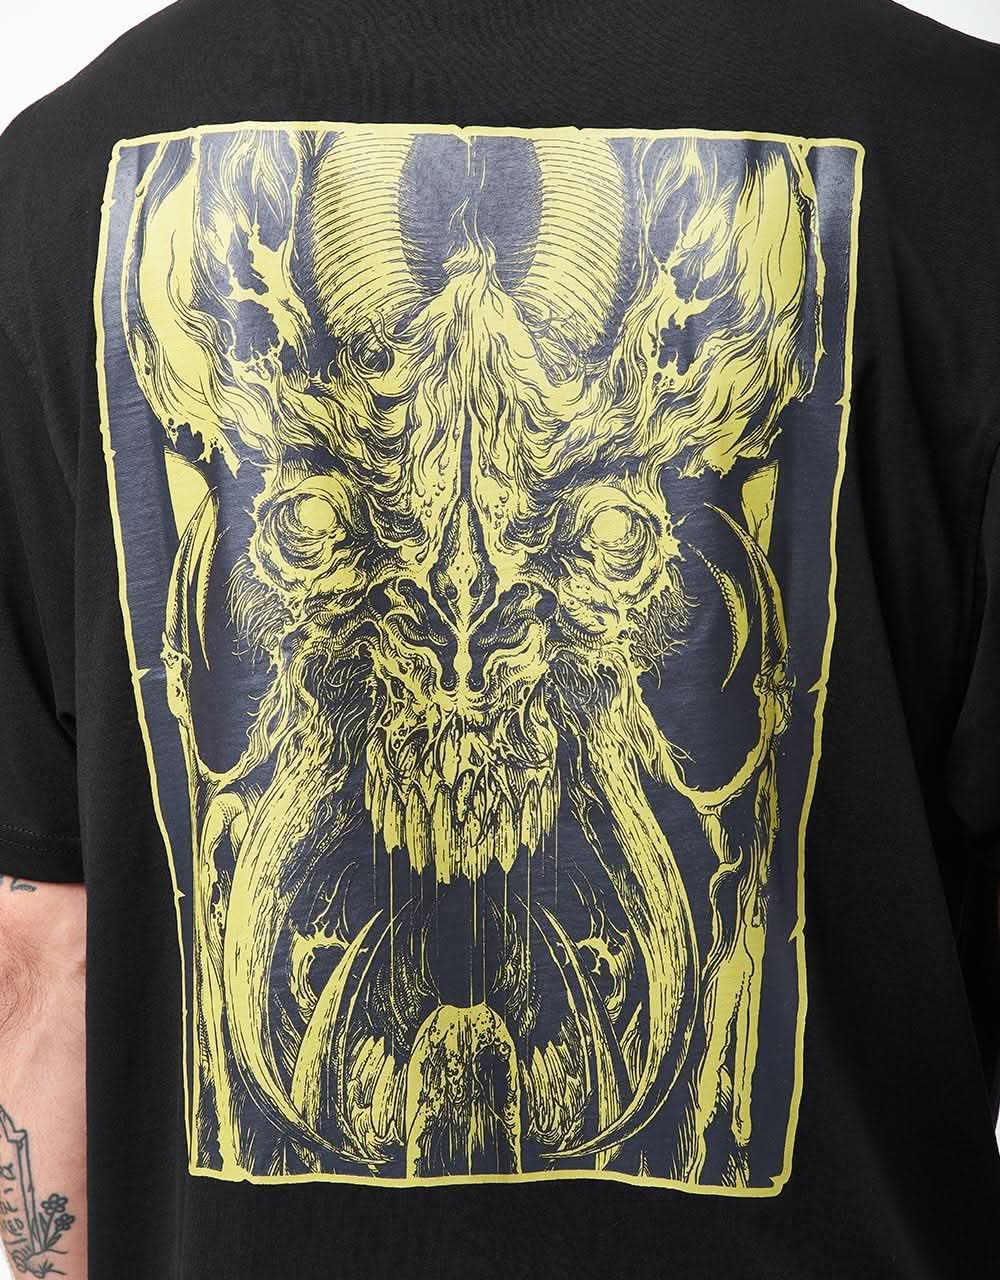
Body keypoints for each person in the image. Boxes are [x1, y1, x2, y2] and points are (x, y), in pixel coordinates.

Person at [1, 0, 998, 1276]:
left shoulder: (58, 179)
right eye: (316, 524)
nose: (465, 652)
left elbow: (47, 953)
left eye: (604, 536)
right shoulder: (960, 150)